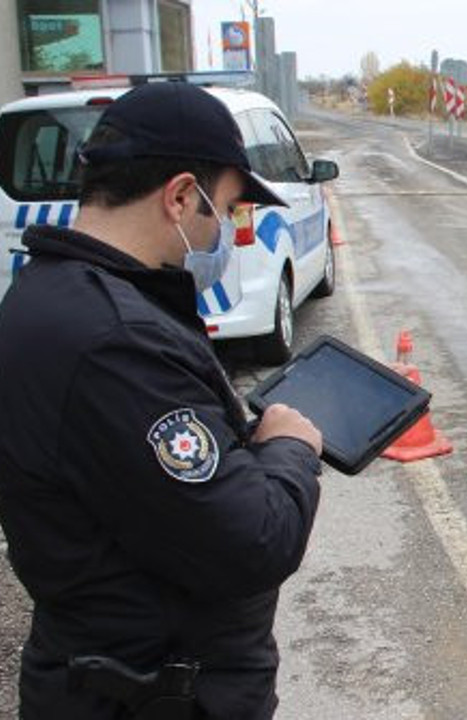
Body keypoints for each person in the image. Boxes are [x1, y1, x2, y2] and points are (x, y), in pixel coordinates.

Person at [0, 82, 323, 719]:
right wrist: (289, 447)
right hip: (152, 694)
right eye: (226, 210)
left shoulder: (46, 295)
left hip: (105, 674)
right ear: (179, 197)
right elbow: (252, 543)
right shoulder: (115, 343)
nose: (226, 232)